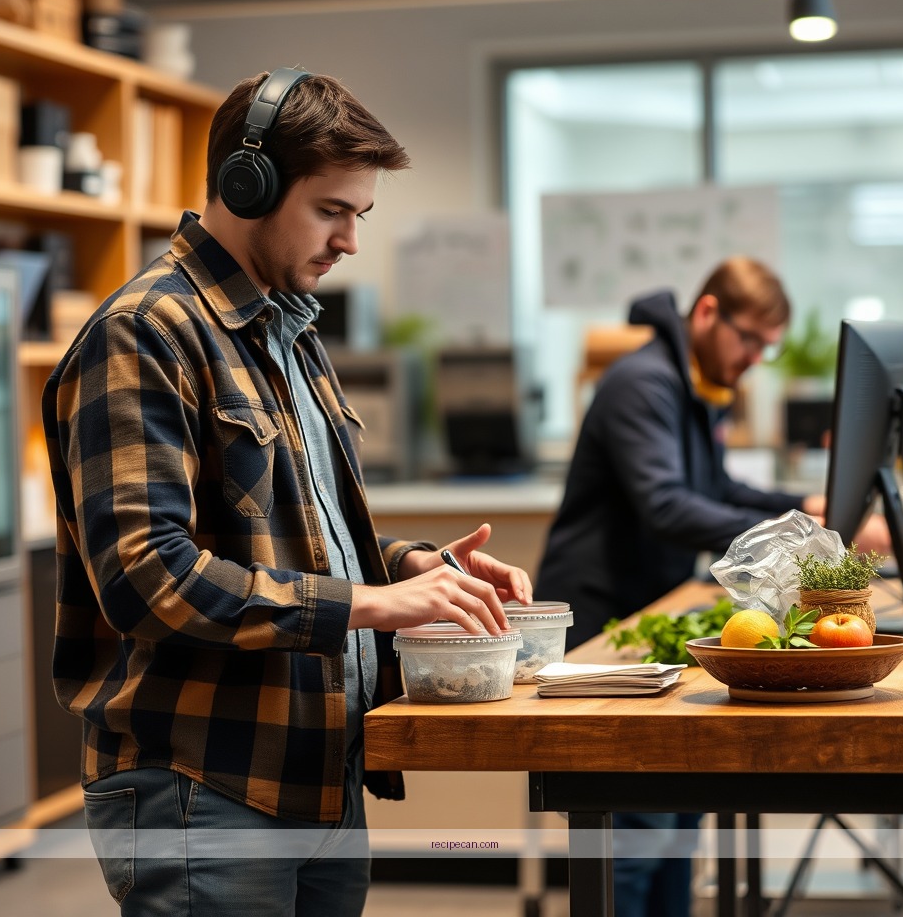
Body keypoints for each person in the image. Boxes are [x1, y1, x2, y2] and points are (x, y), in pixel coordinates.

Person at [42, 67, 532, 917]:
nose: (349, 241)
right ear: (248, 183)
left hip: (316, 775)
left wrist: (417, 570)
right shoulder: (144, 334)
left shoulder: (289, 332)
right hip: (205, 787)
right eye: (331, 210)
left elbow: (300, 536)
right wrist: (374, 608)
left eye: (360, 216)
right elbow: (148, 580)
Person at [534, 257, 824, 917]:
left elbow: (715, 489)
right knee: (638, 834)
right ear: (707, 314)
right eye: (749, 339)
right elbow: (666, 505)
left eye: (765, 348)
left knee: (675, 822)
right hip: (604, 631)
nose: (755, 357)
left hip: (645, 622)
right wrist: (794, 534)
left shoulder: (688, 382)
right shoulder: (645, 384)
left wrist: (801, 506)